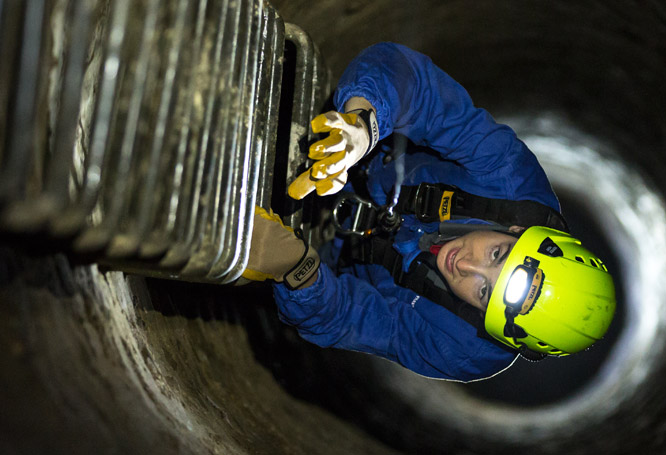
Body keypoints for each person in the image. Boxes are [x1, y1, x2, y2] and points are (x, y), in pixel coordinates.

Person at [242, 42, 616, 382]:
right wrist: (361, 127)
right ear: (519, 229)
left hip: (325, 256)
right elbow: (416, 87)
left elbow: (350, 319)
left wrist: (296, 269)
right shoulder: (509, 178)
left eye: (484, 293)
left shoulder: (465, 350)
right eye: (497, 254)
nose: (466, 265)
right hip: (355, 159)